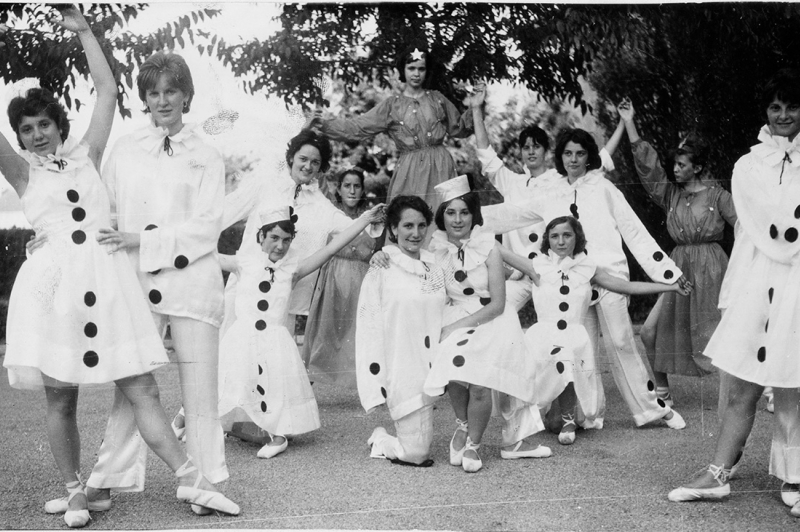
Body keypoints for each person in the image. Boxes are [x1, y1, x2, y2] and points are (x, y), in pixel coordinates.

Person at [0, 8, 238, 526]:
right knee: (60, 396)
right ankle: (76, 490)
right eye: (27, 129)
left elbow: (106, 92)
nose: (38, 135)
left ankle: (191, 479)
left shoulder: (88, 154)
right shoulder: (22, 174)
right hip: (57, 288)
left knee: (141, 387)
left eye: (45, 125)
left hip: (108, 285)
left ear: (60, 126)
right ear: (17, 137)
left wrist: (85, 32)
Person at [77, 51, 231, 516]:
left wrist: (139, 240)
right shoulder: (126, 148)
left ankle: (205, 482)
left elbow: (206, 228)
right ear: (145, 99)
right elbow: (104, 210)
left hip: (193, 283)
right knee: (133, 385)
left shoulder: (207, 154)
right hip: (136, 283)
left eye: (171, 90)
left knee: (200, 390)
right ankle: (107, 479)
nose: (162, 100)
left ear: (186, 94)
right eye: (153, 93)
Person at [482, 127, 688, 431]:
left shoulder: (604, 188)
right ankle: (589, 414)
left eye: (580, 153)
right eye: (567, 153)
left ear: (589, 156)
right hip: (574, 279)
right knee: (583, 348)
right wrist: (464, 220)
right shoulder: (550, 191)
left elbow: (634, 231)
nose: (574, 159)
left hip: (609, 273)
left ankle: (651, 409)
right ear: (560, 156)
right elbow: (513, 213)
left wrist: (668, 274)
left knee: (621, 341)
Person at [668, 68, 800, 513]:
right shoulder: (748, 165)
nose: (783, 115)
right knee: (744, 382)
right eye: (776, 106)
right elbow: (771, 228)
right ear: (766, 111)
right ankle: (719, 473)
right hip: (759, 276)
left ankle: (794, 476)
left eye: (793, 106)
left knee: (792, 382)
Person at [500, 216, 691, 445]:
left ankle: (569, 420)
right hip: (542, 337)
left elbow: (626, 286)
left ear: (577, 237)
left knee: (567, 359)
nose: (561, 241)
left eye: (567, 235)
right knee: (540, 400)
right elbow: (498, 251)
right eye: (554, 236)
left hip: (573, 335)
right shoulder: (536, 266)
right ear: (547, 240)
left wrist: (670, 287)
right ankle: (530, 421)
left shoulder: (588, 268)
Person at [218, 203, 384, 458]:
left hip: (274, 338)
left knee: (273, 387)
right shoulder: (244, 263)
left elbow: (331, 248)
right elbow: (207, 256)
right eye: (273, 238)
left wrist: (364, 219)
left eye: (286, 240)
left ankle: (278, 434)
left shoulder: (292, 270)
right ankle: (201, 421)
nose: (280, 246)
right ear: (260, 236)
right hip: (242, 335)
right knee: (229, 381)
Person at [609, 99, 737, 406]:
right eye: (675, 164)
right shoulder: (671, 194)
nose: (675, 169)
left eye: (681, 165)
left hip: (713, 268)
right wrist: (629, 122)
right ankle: (662, 391)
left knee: (733, 331)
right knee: (650, 331)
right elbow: (649, 169)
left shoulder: (719, 195)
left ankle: (768, 390)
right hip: (678, 269)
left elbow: (746, 227)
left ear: (698, 167)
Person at [421, 175, 552, 473]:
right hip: (456, 315)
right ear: (442, 216)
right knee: (453, 368)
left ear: (473, 215)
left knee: (480, 384)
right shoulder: (435, 248)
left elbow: (497, 304)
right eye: (450, 213)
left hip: (491, 319)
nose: (457, 219)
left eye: (464, 212)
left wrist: (456, 327)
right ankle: (462, 425)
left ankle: (475, 445)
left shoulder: (489, 247)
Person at [468, 83, 614, 312]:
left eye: (536, 146)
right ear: (521, 152)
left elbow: (599, 164)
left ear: (546, 150)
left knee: (560, 325)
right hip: (519, 272)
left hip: (552, 270)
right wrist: (476, 108)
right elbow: (485, 154)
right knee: (497, 314)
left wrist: (624, 125)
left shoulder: (560, 179)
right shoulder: (511, 182)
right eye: (526, 148)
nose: (531, 152)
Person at [309, 44, 473, 210]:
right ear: (403, 70)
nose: (416, 74)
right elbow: (358, 127)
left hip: (440, 167)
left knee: (444, 217)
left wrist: (476, 107)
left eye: (421, 69)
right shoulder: (392, 105)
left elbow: (460, 128)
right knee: (407, 216)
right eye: (411, 68)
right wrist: (323, 124)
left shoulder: (438, 99)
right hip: (410, 170)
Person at [356, 195, 446, 466]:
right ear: (394, 229)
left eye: (421, 226)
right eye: (407, 226)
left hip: (431, 367)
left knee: (420, 447)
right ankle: (381, 439)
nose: (415, 233)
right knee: (416, 455)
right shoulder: (382, 268)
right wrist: (375, 385)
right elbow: (367, 328)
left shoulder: (435, 267)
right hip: (401, 370)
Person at [303, 168, 377, 386]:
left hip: (362, 278)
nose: (352, 191)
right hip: (334, 275)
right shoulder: (331, 213)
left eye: (357, 186)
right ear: (339, 189)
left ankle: (368, 381)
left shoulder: (372, 217)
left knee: (361, 330)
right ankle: (312, 378)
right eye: (347, 186)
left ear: (363, 190)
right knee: (326, 329)